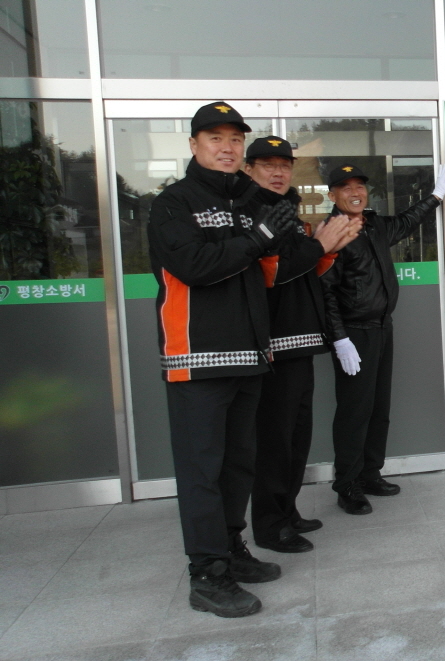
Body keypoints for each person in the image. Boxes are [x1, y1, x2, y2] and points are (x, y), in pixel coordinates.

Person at [149, 102, 301, 617]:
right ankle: (207, 573)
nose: (227, 147)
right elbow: (194, 266)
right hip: (197, 355)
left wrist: (293, 240)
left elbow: (270, 271)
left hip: (249, 353)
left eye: (235, 139)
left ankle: (232, 548)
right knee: (202, 470)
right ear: (194, 145)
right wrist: (257, 239)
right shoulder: (173, 202)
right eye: (215, 138)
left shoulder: (251, 202)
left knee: (238, 464)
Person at [242, 136, 359, 553]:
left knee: (296, 434)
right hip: (273, 342)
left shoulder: (288, 212)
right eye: (268, 165)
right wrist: (319, 246)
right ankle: (269, 525)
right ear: (248, 169)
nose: (278, 173)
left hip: (301, 339)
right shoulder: (248, 213)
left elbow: (304, 269)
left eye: (284, 165)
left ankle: (287, 509)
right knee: (274, 439)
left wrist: (328, 251)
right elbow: (269, 273)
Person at [322, 162, 445, 515]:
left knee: (379, 408)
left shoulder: (374, 225)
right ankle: (347, 485)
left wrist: (435, 197)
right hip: (354, 334)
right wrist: (339, 339)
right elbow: (325, 292)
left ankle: (369, 474)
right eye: (346, 187)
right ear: (332, 195)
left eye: (359, 186)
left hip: (382, 328)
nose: (355, 193)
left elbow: (406, 222)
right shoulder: (331, 233)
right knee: (354, 412)